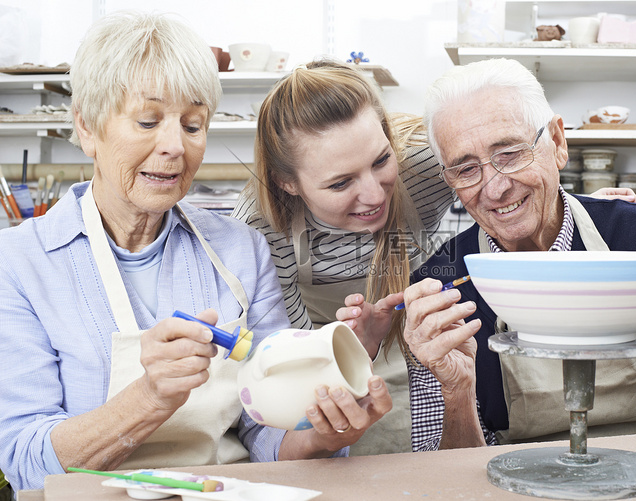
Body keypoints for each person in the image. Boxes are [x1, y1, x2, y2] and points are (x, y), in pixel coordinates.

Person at [0, 13, 391, 492]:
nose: (174, 147)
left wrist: (321, 435)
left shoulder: (240, 249)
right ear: (86, 126)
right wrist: (147, 399)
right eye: (147, 121)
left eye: (193, 124)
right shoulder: (19, 262)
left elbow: (264, 431)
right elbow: (24, 461)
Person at [341, 57, 636, 451]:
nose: (496, 188)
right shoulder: (440, 290)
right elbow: (445, 473)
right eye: (466, 169)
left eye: (510, 153)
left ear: (556, 142)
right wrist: (457, 391)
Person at [231, 60, 636, 455]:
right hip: (323, 347)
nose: (375, 196)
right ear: (289, 184)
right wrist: (356, 350)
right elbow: (290, 368)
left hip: (410, 316)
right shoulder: (260, 234)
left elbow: (505, 174)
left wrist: (582, 213)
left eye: (380, 161)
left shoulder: (425, 165)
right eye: (340, 183)